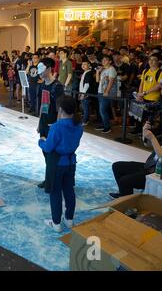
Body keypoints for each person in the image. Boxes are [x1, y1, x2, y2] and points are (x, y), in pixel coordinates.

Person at [39, 96, 83, 232]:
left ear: (61, 109)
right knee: (69, 191)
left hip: (57, 164)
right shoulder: (79, 125)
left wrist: (41, 141)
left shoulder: (57, 127)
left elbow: (48, 147)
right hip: (71, 163)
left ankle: (56, 222)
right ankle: (69, 219)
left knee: (55, 192)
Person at [109, 122, 162, 199]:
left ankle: (126, 203)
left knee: (124, 181)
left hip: (159, 175)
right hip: (149, 166)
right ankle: (124, 195)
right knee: (117, 166)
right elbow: (147, 144)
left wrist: (152, 138)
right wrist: (144, 132)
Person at [36, 57, 65, 189]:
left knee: (52, 154)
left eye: (41, 68)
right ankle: (49, 177)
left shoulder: (57, 86)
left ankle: (52, 180)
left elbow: (60, 108)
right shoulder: (43, 85)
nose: (38, 71)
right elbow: (44, 104)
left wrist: (57, 126)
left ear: (48, 69)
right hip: (44, 122)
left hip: (53, 124)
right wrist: (39, 122)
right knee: (45, 152)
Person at [95, 55, 117, 134]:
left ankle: (107, 127)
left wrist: (107, 91)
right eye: (102, 60)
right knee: (102, 110)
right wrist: (98, 71)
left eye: (105, 60)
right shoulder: (103, 70)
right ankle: (103, 124)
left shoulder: (112, 69)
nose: (103, 61)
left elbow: (111, 81)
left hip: (107, 92)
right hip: (100, 91)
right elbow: (97, 81)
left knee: (103, 110)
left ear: (110, 61)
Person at [78, 57, 96, 126]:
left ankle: (85, 121)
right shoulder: (85, 72)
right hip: (83, 92)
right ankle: (85, 120)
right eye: (82, 64)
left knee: (86, 108)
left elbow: (87, 84)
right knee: (84, 107)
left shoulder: (89, 73)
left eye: (85, 64)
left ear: (89, 65)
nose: (83, 65)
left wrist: (83, 94)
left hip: (86, 93)